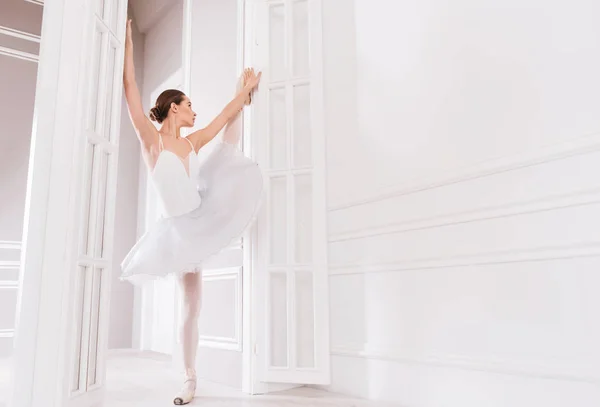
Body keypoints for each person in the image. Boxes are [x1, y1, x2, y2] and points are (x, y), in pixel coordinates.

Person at [119, 19, 263, 405]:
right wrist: (127, 46)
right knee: (188, 304)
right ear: (173, 108)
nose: (194, 112)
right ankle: (188, 377)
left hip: (202, 217)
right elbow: (131, 89)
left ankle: (190, 378)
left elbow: (221, 118)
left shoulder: (193, 141)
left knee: (194, 305)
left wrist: (243, 92)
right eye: (188, 106)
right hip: (177, 230)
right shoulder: (152, 143)